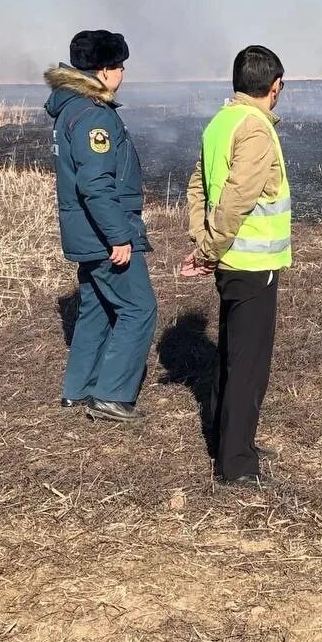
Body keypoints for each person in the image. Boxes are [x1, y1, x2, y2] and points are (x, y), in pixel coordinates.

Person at [182, 45, 291, 486]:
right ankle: (237, 463)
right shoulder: (256, 129)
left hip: (230, 261)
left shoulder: (220, 122)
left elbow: (196, 186)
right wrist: (207, 249)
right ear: (275, 86)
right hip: (252, 264)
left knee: (232, 356)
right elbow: (237, 199)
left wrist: (202, 240)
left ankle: (231, 440)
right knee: (248, 365)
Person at [44, 30, 157, 423]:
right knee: (139, 308)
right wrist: (120, 236)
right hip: (104, 233)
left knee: (94, 306)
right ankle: (112, 395)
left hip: (85, 232)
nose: (123, 73)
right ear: (104, 70)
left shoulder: (70, 109)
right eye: (120, 66)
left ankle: (79, 389)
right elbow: (95, 185)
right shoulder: (93, 115)